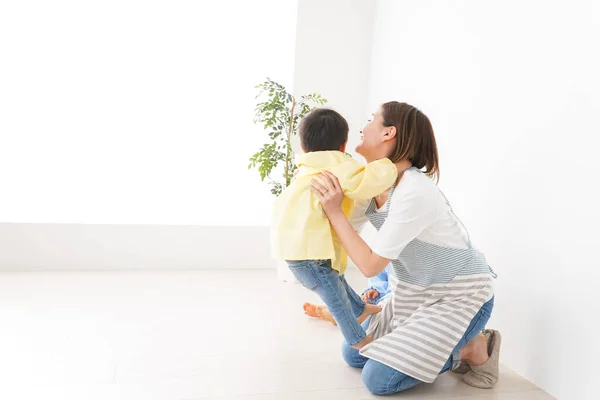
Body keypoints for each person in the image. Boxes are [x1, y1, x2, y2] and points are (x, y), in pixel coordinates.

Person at [309, 102, 501, 394]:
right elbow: (345, 236)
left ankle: (474, 347)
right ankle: (438, 343)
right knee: (353, 352)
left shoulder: (414, 191)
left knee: (378, 380)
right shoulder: (372, 183)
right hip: (415, 292)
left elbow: (371, 264)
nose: (362, 127)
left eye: (371, 119)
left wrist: (334, 211)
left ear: (389, 133)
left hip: (460, 295)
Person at [272, 108, 410, 350]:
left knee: (337, 282)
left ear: (304, 147)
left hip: (294, 252)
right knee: (335, 299)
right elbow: (366, 181)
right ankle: (359, 341)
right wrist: (394, 166)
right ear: (343, 145)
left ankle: (360, 307)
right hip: (310, 256)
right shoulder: (338, 166)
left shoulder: (305, 168)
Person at [303, 267, 392, 326]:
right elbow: (379, 274)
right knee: (363, 300)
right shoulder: (384, 250)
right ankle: (344, 311)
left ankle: (343, 317)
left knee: (381, 314)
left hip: (395, 297)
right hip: (384, 292)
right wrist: (376, 289)